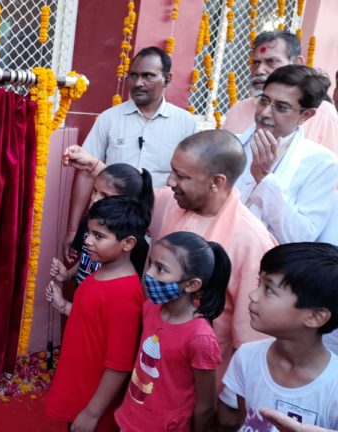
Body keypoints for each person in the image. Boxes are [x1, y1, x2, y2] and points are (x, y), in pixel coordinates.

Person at [62, 129, 277, 385]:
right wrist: (95, 166)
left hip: (198, 384)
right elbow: (132, 196)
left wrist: (231, 403)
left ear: (217, 182)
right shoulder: (169, 201)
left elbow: (252, 339)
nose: (172, 182)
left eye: (182, 176)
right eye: (172, 171)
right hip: (147, 360)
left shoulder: (251, 241)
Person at [62, 46, 195, 261]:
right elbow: (86, 173)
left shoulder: (186, 124)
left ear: (167, 79)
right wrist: (72, 229)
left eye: (148, 76)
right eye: (133, 75)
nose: (138, 83)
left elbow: (188, 182)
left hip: (158, 232)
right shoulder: (110, 118)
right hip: (109, 233)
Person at [44, 196, 150, 432]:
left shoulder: (125, 294)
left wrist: (92, 413)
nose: (88, 241)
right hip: (78, 384)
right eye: (89, 233)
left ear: (128, 243)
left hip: (93, 399)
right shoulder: (102, 271)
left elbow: (119, 365)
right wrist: (62, 305)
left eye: (99, 236)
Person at [115, 231, 230, 432]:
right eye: (151, 263)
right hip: (131, 416)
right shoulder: (151, 307)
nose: (149, 274)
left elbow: (205, 406)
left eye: (161, 269)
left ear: (192, 285)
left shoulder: (200, 338)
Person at [220, 242, 338, 430]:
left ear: (315, 317)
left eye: (269, 290)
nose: (253, 295)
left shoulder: (333, 387)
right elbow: (247, 423)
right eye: (259, 284)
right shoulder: (247, 358)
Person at [234, 65, 338, 243]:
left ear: (306, 115)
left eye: (281, 107)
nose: (265, 112)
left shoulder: (321, 163)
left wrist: (264, 179)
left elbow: (300, 236)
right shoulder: (231, 143)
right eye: (264, 100)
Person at [223, 31, 338, 156]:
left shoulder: (324, 114)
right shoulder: (238, 109)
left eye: (271, 61)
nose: (259, 71)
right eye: (256, 63)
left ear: (297, 63)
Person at [50, 163, 154, 288]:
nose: (94, 199)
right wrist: (68, 275)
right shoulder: (87, 222)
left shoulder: (133, 243)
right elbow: (87, 259)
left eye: (105, 195)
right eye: (94, 191)